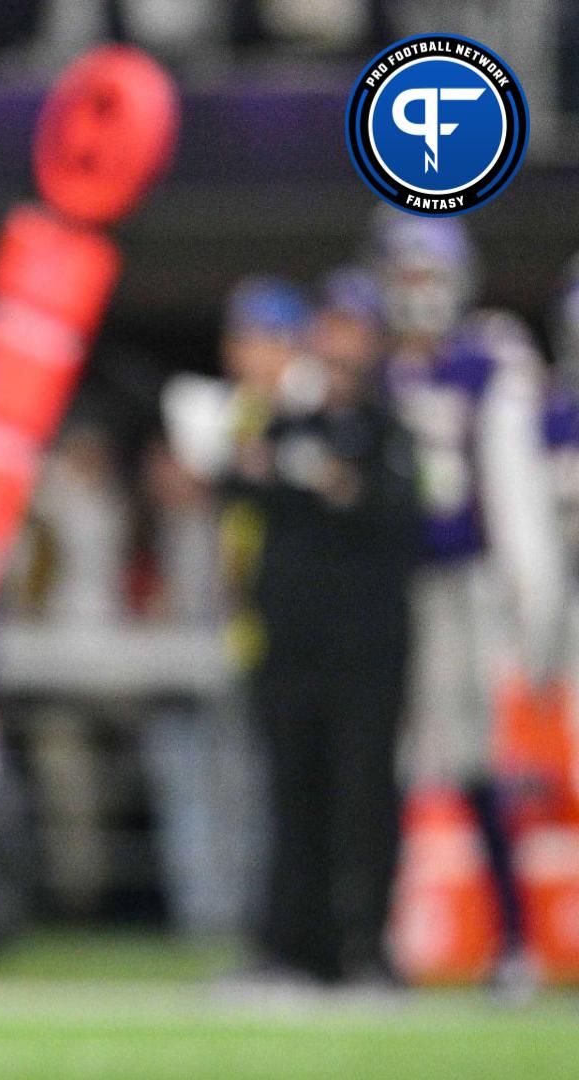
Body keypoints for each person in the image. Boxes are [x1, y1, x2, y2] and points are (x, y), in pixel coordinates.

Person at [376, 212, 566, 996]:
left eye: (429, 275)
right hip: (394, 589)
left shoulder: (487, 358)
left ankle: (517, 939)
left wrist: (533, 594)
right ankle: (380, 938)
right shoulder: (377, 364)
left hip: (472, 587)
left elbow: (516, 492)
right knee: (394, 763)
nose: (417, 294)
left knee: (481, 759)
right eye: (406, 275)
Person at [232, 269, 420, 985]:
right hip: (291, 646)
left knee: (364, 799)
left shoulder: (389, 423)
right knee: (293, 795)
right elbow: (241, 490)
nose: (337, 343)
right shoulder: (290, 418)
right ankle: (291, 949)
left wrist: (345, 489)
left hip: (367, 649)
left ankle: (366, 950)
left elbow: (406, 520)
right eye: (328, 327)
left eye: (351, 328)